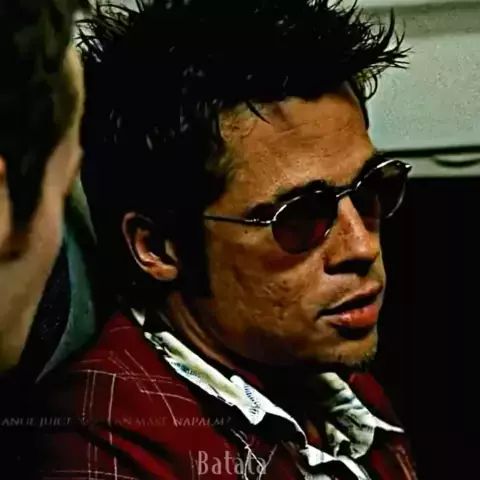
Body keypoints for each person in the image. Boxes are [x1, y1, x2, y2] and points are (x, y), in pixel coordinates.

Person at [37, 0, 417, 478]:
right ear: (158, 248)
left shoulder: (329, 378)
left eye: (371, 190)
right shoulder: (104, 445)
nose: (362, 246)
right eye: (299, 217)